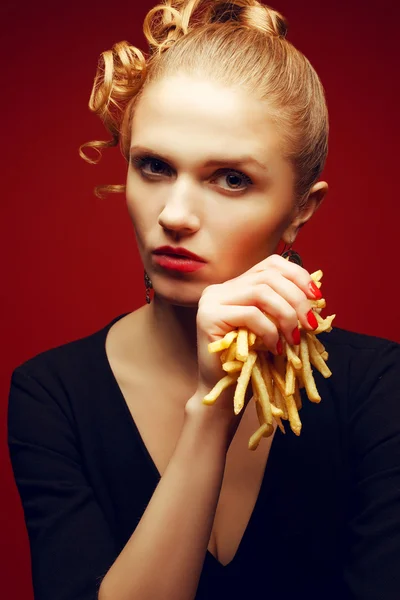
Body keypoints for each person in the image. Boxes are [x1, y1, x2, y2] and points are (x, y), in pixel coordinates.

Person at [7, 1, 400, 599]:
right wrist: (212, 407)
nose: (175, 214)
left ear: (301, 209)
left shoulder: (380, 389)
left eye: (231, 178)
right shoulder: (51, 392)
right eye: (155, 166)